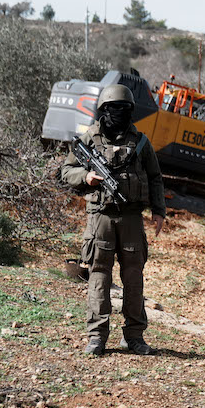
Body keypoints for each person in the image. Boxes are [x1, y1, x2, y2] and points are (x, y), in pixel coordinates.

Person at [61, 84, 166, 357]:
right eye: (112, 109)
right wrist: (85, 178)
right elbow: (66, 171)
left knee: (134, 279)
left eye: (123, 109)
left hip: (132, 219)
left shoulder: (141, 142)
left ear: (130, 111)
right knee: (99, 278)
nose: (117, 114)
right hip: (100, 219)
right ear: (103, 110)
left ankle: (134, 337)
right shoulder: (89, 140)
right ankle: (96, 337)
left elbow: (155, 177)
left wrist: (159, 211)